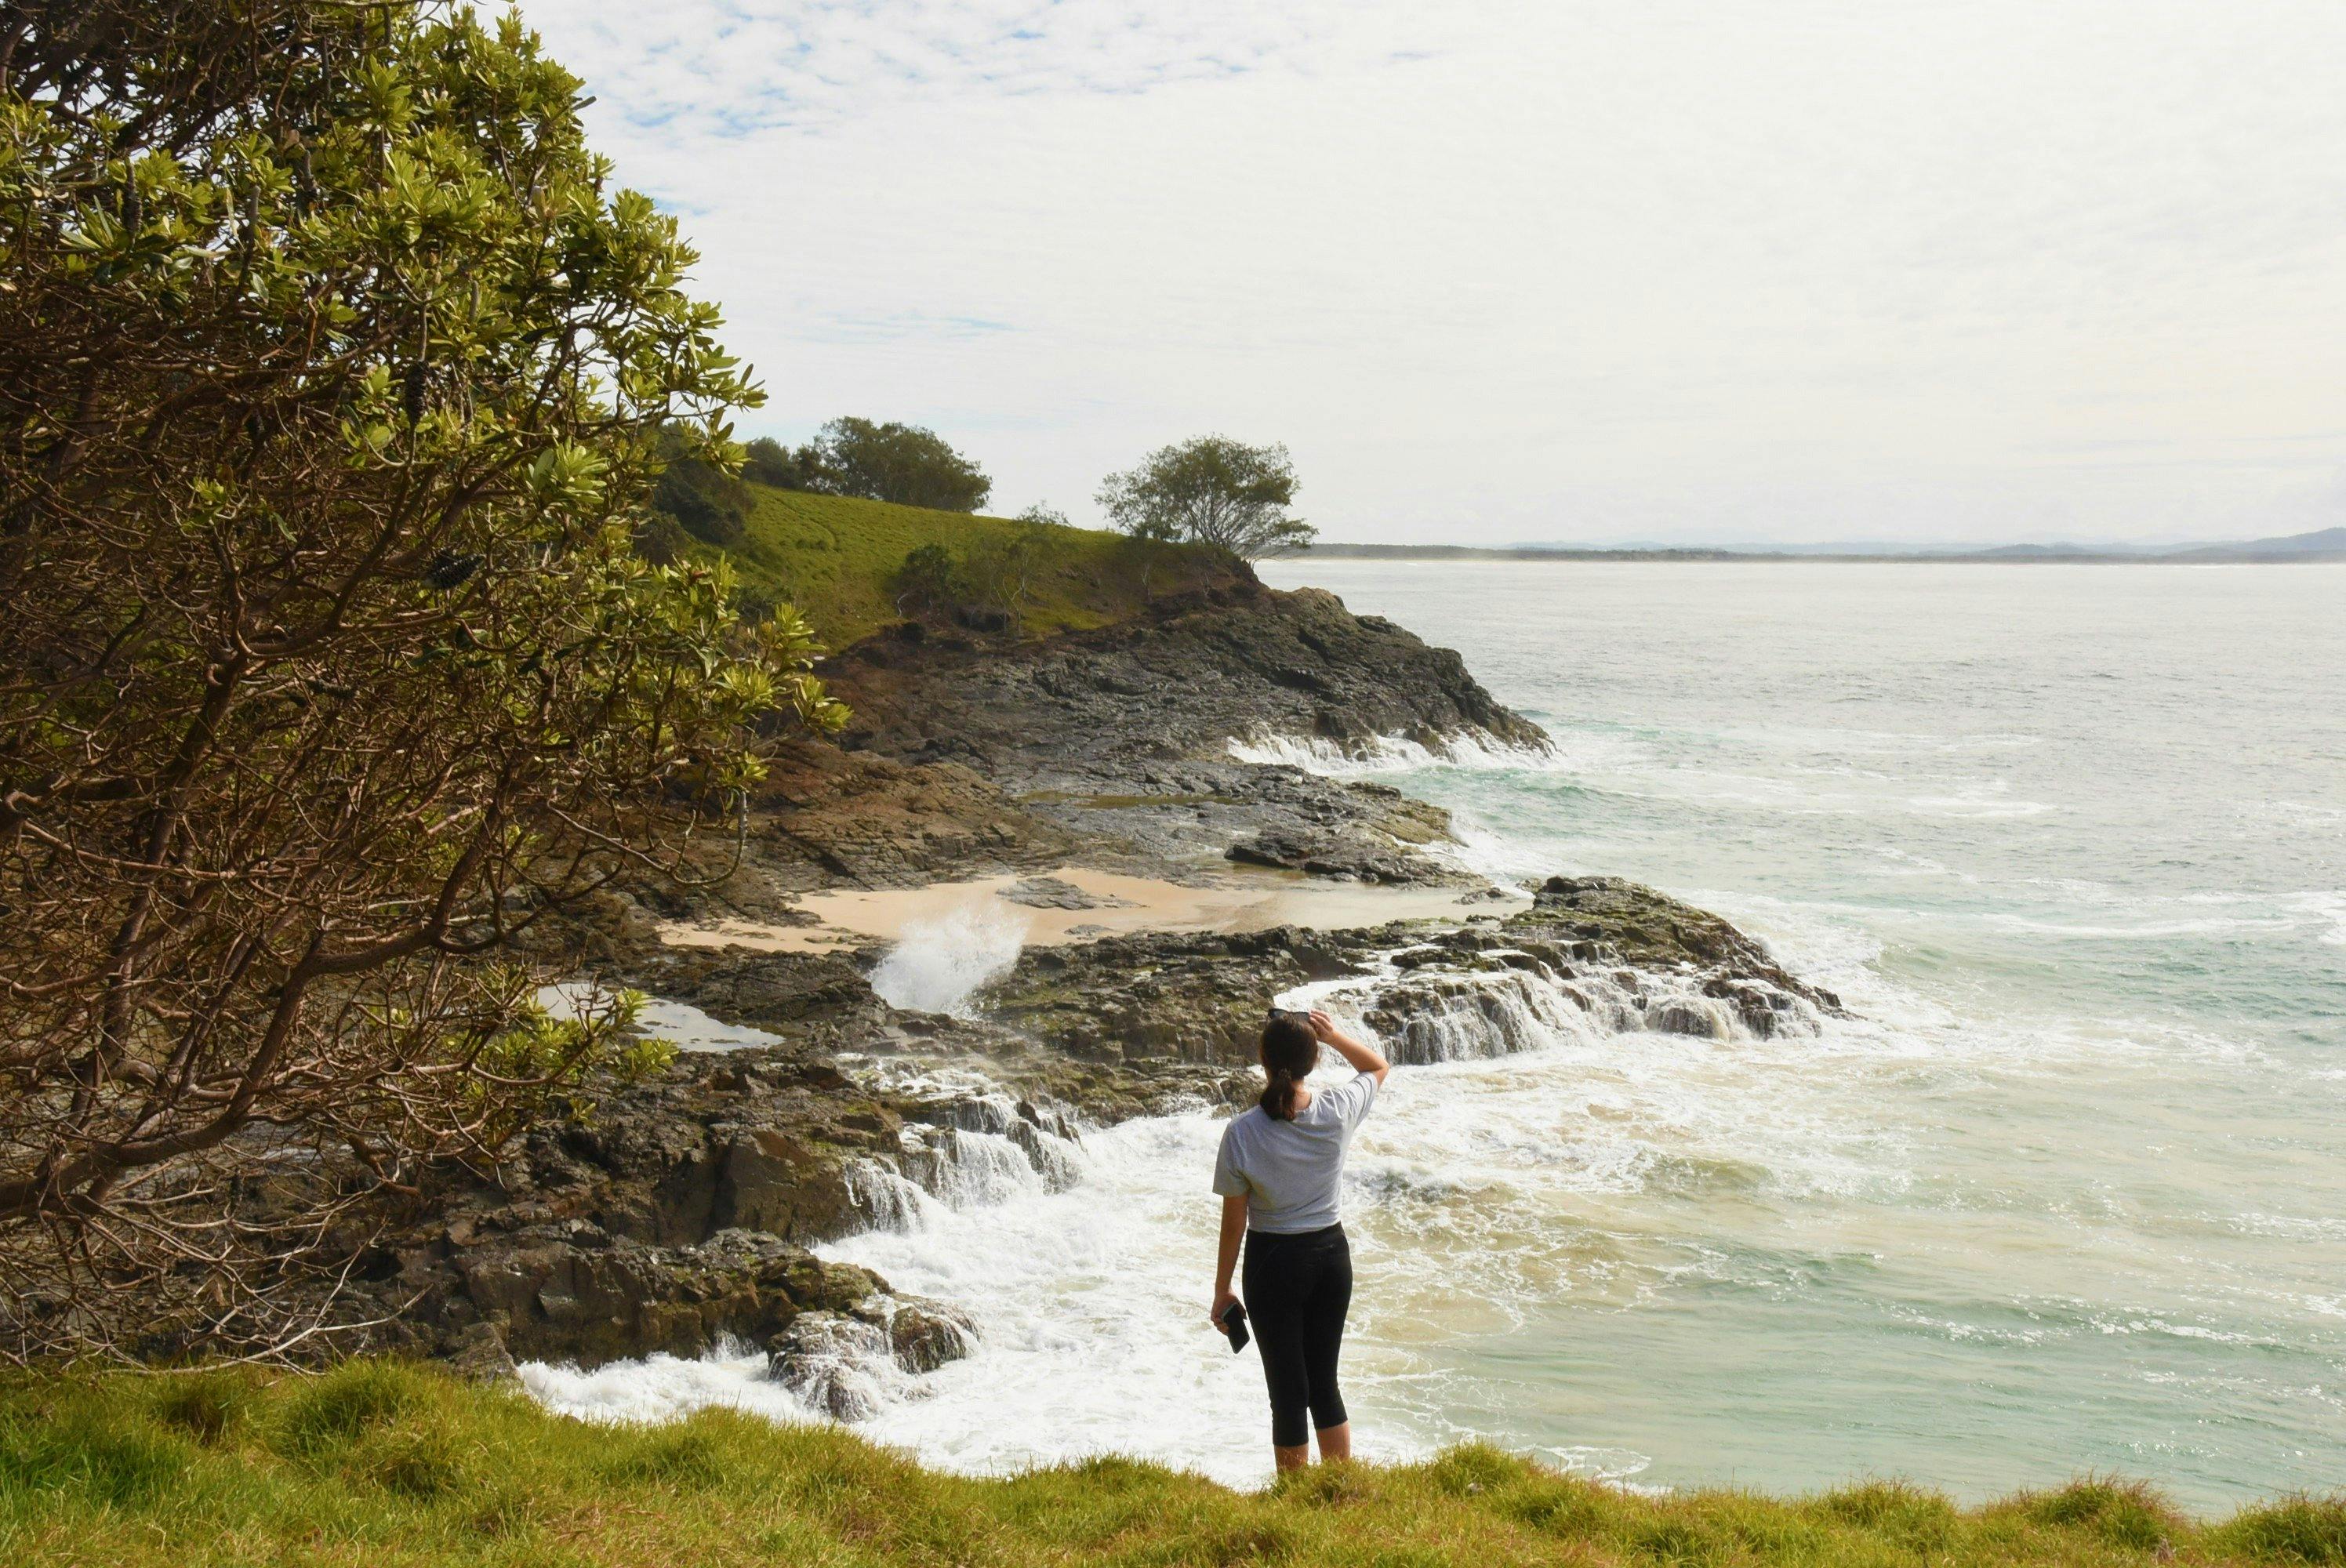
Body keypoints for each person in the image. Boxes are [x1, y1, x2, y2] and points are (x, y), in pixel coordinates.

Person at [1208, 1006, 1389, 1472]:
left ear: (1264, 1060)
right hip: (1331, 1258)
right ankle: (1339, 1489)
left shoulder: (1242, 1132)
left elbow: (1235, 1220)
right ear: (1313, 1061)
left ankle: (1295, 1504)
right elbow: (1376, 1066)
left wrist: (1222, 1287)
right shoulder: (1337, 1111)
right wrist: (1333, 1037)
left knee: (1288, 1394)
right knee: (1324, 1384)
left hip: (1274, 1264)